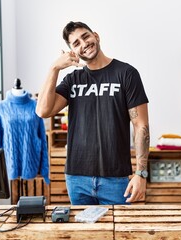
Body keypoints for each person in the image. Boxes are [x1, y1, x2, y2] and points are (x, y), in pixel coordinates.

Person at [36, 21, 150, 205]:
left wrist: (141, 173)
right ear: (73, 51)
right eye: (76, 43)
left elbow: (141, 125)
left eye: (85, 36)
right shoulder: (73, 79)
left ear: (95, 36)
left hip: (116, 179)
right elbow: (42, 111)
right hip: (77, 179)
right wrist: (54, 68)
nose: (84, 44)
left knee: (117, 233)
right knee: (85, 234)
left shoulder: (126, 73)